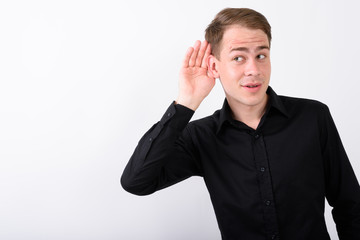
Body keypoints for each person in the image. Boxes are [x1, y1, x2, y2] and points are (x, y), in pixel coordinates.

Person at [121, 8, 360, 240]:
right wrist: (187, 101)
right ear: (214, 66)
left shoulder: (313, 117)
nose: (253, 70)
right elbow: (137, 182)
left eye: (261, 55)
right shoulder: (201, 136)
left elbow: (350, 204)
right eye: (238, 57)